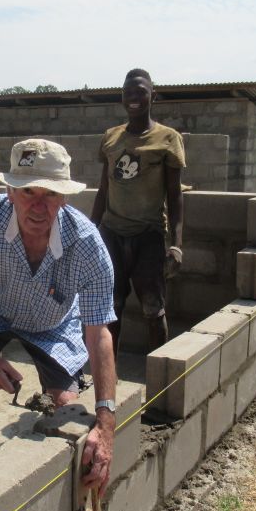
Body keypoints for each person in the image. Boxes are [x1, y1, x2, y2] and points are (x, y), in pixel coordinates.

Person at [0, 138, 118, 493]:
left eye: (50, 194)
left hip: (52, 323)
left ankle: (59, 493)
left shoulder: (86, 244)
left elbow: (98, 332)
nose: (38, 206)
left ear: (65, 197)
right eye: (27, 192)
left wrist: (107, 423)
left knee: (67, 409)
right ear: (9, 191)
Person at [91, 68, 185, 352]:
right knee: (111, 310)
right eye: (128, 92)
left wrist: (176, 245)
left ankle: (160, 381)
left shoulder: (167, 138)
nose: (134, 98)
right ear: (122, 97)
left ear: (152, 96)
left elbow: (174, 195)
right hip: (111, 235)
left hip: (148, 235)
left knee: (153, 310)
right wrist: (91, 232)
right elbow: (104, 189)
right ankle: (110, 378)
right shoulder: (110, 137)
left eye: (140, 92)